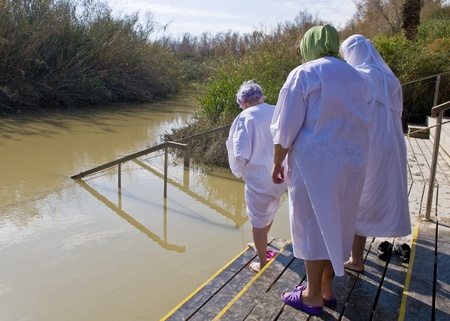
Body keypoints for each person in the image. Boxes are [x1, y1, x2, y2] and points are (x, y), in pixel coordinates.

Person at [270, 25, 371, 315]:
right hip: (353, 162)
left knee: (312, 225)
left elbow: (285, 127)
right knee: (337, 223)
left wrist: (277, 162)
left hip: (316, 164)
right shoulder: (356, 76)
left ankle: (312, 295)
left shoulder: (304, 74)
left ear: (309, 46)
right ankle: (326, 289)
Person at [340, 34, 411, 273]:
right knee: (371, 195)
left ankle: (356, 259)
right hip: (393, 143)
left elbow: (350, 115)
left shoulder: (358, 76)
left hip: (371, 143)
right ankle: (356, 256)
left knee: (357, 197)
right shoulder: (390, 79)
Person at [226, 80, 287, 273]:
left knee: (256, 222)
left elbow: (240, 152)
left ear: (243, 102)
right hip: (281, 176)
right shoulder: (277, 110)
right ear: (261, 97)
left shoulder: (245, 117)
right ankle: (259, 243)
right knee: (270, 212)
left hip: (258, 179)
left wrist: (241, 170)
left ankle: (261, 261)